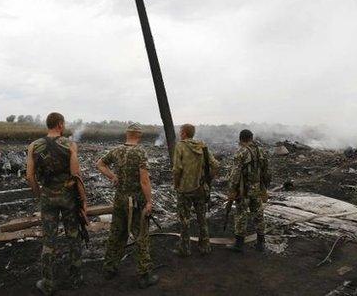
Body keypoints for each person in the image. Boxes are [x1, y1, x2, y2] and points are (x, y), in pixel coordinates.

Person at [26, 112, 87, 295]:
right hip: (68, 198)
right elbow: (76, 176)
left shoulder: (34, 146)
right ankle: (76, 278)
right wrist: (83, 201)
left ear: (48, 125)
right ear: (60, 124)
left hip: (47, 197)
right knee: (73, 236)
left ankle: (48, 282)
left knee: (49, 240)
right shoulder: (70, 145)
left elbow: (29, 176)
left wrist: (39, 195)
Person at [96, 123, 159, 289]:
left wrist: (113, 176)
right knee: (141, 235)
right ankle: (145, 274)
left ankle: (109, 268)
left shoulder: (117, 150)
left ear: (127, 134)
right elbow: (144, 180)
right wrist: (149, 201)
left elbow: (100, 164)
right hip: (135, 202)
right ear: (138, 135)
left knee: (117, 233)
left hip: (120, 200)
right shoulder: (140, 152)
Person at [171, 124, 219, 256]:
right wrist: (208, 179)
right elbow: (215, 165)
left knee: (185, 219)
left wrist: (176, 184)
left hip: (185, 189)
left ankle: (185, 249)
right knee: (201, 217)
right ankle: (205, 246)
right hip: (201, 188)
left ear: (184, 133)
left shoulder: (180, 146)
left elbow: (177, 169)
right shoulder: (202, 146)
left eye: (181, 131)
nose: (180, 133)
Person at [227, 129, 271, 252]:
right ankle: (261, 243)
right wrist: (264, 188)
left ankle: (239, 244)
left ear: (241, 139)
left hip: (244, 190)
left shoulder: (241, 152)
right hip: (257, 188)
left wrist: (232, 190)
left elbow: (235, 173)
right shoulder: (261, 151)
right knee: (258, 214)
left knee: (241, 214)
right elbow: (266, 172)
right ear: (251, 138)